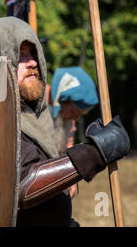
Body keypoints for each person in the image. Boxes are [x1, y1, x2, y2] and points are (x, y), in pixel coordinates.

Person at [0, 16, 130, 227]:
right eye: (21, 54)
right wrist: (94, 153)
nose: (32, 62)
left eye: (33, 53)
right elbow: (21, 184)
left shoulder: (35, 118)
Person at [47, 67, 99, 199]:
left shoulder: (67, 119)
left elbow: (67, 148)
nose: (75, 119)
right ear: (63, 100)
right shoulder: (36, 105)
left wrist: (72, 178)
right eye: (74, 113)